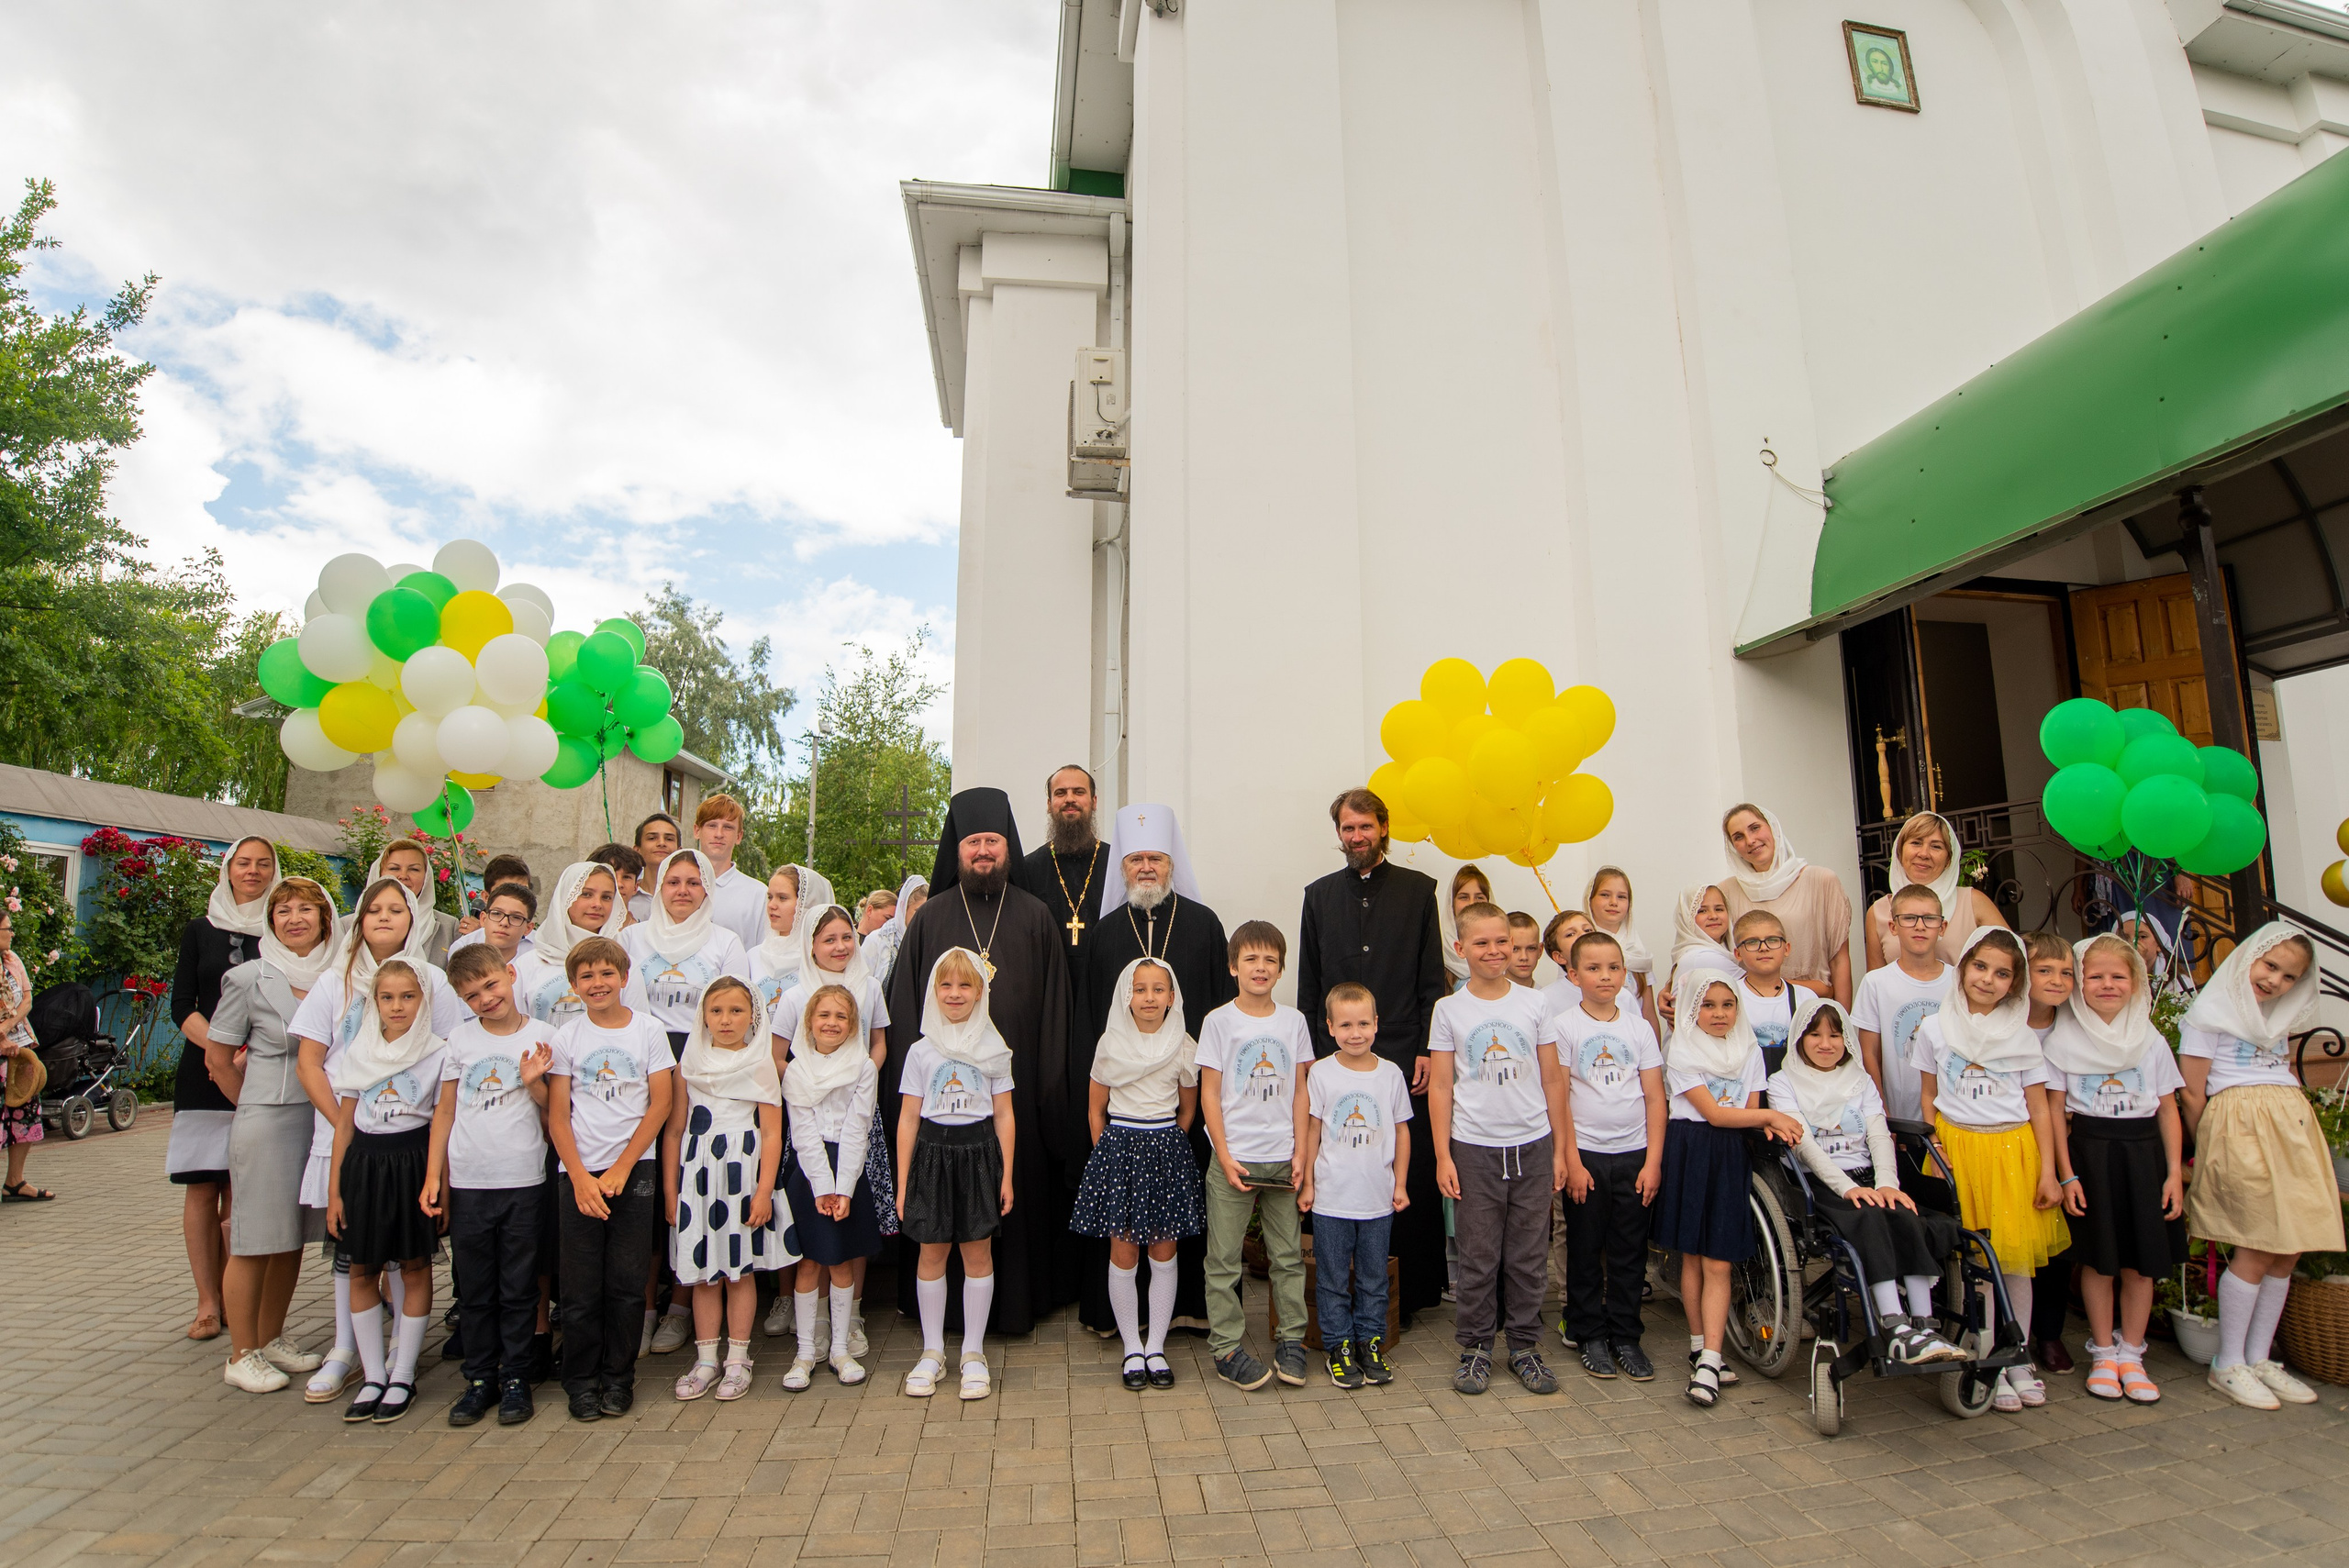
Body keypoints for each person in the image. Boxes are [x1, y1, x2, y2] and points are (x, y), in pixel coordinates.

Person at [881, 787, 1074, 1336]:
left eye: (992, 841)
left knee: (1007, 1209)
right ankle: (940, 1328)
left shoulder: (1036, 918)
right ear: (957, 850)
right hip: (940, 1112)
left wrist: (1048, 1090)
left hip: (1015, 1102)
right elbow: (902, 1015)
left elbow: (1056, 1013)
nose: (983, 851)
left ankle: (1011, 1311)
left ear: (1007, 846)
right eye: (973, 843)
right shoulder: (931, 918)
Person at [288, 877, 464, 1403]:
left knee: (411, 1262)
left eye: (397, 909)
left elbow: (450, 1067)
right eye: (374, 910)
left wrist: (437, 1172)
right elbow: (313, 1063)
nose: (385, 918)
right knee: (356, 1258)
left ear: (414, 918)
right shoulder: (335, 982)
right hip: (355, 1138)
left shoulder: (433, 980)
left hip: (414, 1146)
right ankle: (351, 1353)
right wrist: (362, 1122)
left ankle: (401, 1365)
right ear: (357, 921)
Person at [1069, 805, 1234, 1340]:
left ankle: (1178, 1316)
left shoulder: (1205, 925)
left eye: (1156, 859)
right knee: (1122, 1233)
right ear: (1123, 866)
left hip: (1177, 1113)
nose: (1146, 868)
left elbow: (1218, 1016)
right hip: (1123, 1118)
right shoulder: (1103, 933)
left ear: (1171, 864)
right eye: (1136, 858)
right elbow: (1092, 1022)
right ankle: (1121, 1324)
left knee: (1172, 1230)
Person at [1296, 788, 1447, 1321]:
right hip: (1334, 1059)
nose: (1355, 837)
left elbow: (1433, 978)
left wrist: (1430, 1046)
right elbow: (1309, 984)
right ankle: (1336, 1298)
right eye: (1346, 829)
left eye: (1364, 827)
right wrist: (1312, 1054)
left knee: (1401, 1163)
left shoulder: (1418, 891)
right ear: (1338, 833)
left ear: (1383, 827)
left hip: (1404, 1051)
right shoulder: (1317, 897)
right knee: (1337, 1155)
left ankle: (1407, 1297)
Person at [2179, 922, 2340, 1410]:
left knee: (2288, 1247)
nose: (2275, 981)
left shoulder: (2276, 1021)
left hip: (2289, 1127)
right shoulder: (2208, 1014)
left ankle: (2259, 1357)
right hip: (2240, 1129)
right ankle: (2227, 1363)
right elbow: (2191, 1090)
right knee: (2256, 1243)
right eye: (2270, 966)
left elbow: (2281, 1072)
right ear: (2250, 956)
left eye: (2289, 977)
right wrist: (2210, 1145)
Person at [1913, 927, 2065, 1414]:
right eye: (1980, 967)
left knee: (2015, 1261)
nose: (1988, 979)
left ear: (2014, 984)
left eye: (2002, 973)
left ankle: (2017, 1356)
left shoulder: (2021, 1036)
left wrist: (2048, 1173)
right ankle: (1986, 1356)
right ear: (1963, 970)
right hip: (1959, 1151)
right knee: (1976, 1264)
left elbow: (2039, 1108)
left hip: (2013, 1153)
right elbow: (1927, 1096)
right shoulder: (1936, 1029)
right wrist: (1934, 1146)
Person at [1771, 995, 1966, 1366]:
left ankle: (1924, 1325)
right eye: (1815, 1035)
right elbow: (1805, 1146)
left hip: (1868, 1176)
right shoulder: (1782, 1083)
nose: (1826, 1043)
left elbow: (1878, 1134)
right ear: (1799, 1038)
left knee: (1904, 1213)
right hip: (1820, 1184)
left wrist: (1887, 1183)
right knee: (1870, 1217)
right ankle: (1894, 1326)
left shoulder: (1860, 1080)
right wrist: (1848, 1188)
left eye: (1835, 1035)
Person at [1428, 901, 1566, 1397]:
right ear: (1461, 948)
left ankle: (1526, 1346)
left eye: (1501, 941)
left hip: (1531, 1145)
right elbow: (1441, 1086)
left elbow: (1553, 1078)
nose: (1493, 951)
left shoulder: (1535, 1004)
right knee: (1479, 1255)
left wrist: (1560, 1150)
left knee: (1529, 1256)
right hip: (1473, 1149)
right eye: (1481, 943)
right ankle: (1476, 1348)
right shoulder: (1449, 1010)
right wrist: (1444, 1155)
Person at [1655, 953, 1804, 1407]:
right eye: (1708, 1005)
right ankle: (1702, 1346)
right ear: (1691, 1010)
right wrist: (1772, 1115)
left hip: (1730, 1156)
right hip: (1692, 1148)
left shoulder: (1750, 1052)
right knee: (1694, 1259)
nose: (1719, 1014)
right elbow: (1719, 1113)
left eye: (1728, 1004)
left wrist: (1765, 1119)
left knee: (1719, 1260)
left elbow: (1746, 1112)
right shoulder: (1680, 1051)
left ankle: (1710, 1358)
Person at [2044, 934, 2186, 1404]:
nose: (2107, 984)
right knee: (2099, 1258)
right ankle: (2103, 1352)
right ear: (2080, 983)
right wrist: (2067, 1176)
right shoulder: (2064, 1041)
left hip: (2143, 1156)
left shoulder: (2150, 1039)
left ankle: (2132, 1353)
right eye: (2096, 976)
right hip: (2091, 1155)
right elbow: (2056, 1114)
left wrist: (2172, 1174)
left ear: (2136, 981)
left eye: (2118, 976)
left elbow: (2168, 1110)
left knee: (2139, 1263)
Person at [211, 877, 340, 1392]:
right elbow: (218, 1060)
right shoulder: (247, 977)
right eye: (282, 910)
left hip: (320, 1118)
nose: (294, 918)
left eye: (305, 909)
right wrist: (253, 1108)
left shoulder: (340, 973)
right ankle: (240, 1353)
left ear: (324, 918)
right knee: (252, 1238)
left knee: (290, 1238)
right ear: (270, 921)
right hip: (267, 1117)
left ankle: (270, 1339)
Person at [424, 943, 555, 1426]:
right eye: (472, 994)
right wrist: (434, 1176)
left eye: (491, 985)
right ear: (462, 1000)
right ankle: (480, 1379)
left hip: (523, 1178)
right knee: (476, 1289)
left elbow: (552, 1112)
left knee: (519, 1286)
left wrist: (533, 1081)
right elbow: (445, 1111)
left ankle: (517, 1376)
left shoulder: (544, 1036)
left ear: (510, 975)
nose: (486, 998)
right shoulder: (459, 1042)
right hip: (469, 1180)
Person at [546, 935, 674, 1420]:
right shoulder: (567, 1038)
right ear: (574, 985)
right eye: (586, 976)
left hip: (632, 1171)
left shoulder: (648, 1030)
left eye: (606, 974)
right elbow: (559, 1116)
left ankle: (619, 1378)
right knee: (579, 1288)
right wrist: (579, 1176)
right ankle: (580, 1381)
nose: (597, 983)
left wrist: (622, 1166)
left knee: (625, 1282)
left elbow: (660, 1102)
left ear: (623, 978)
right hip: (578, 1174)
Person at [1073, 958, 1204, 1391]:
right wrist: (1110, 1156)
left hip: (1164, 1148)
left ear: (1172, 996)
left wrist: (1166, 1147)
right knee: (1124, 1252)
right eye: (1140, 989)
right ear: (1126, 995)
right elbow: (1095, 1109)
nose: (1149, 998)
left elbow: (1187, 1108)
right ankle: (1132, 1345)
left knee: (1163, 1252)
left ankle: (1157, 1346)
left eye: (1158, 989)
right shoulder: (1111, 1043)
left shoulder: (1184, 1045)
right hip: (1121, 1150)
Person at [772, 899, 896, 1355]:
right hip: (809, 1113)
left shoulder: (869, 987)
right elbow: (777, 1051)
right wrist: (807, 1085)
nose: (840, 946)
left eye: (846, 936)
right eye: (829, 939)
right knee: (816, 1218)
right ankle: (817, 1320)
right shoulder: (794, 994)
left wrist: (864, 1072)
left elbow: (879, 1041)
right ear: (811, 946)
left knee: (853, 1216)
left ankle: (853, 1314)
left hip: (857, 1112)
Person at [325, 961, 447, 1423]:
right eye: (387, 997)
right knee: (362, 1268)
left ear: (424, 1000)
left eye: (408, 997)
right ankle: (373, 1373)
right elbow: (343, 1125)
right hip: (365, 1167)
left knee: (414, 1267)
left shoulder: (438, 1051)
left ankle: (404, 1374)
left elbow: (441, 1122)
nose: (397, 1007)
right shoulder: (359, 1049)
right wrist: (335, 1190)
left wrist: (440, 1183)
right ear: (374, 1002)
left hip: (413, 1164)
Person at [169, 835, 280, 1341]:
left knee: (240, 1186)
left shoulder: (280, 929)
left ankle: (238, 1299)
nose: (253, 872)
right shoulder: (200, 929)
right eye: (244, 863)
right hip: (202, 1069)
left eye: (263, 864)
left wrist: (244, 1052)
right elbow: (182, 1004)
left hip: (258, 1069)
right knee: (201, 1184)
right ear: (228, 869)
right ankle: (206, 1301)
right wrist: (219, 1046)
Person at [1195, 921, 1312, 1392]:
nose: (1260, 968)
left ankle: (1291, 1341)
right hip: (1236, 1159)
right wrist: (1223, 1155)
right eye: (1250, 959)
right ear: (1233, 967)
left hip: (1282, 1158)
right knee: (1223, 1259)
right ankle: (1225, 1346)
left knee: (1287, 1257)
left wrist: (1302, 1151)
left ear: (1281, 969)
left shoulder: (1294, 1021)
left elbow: (1302, 1090)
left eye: (1269, 960)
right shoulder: (1219, 1021)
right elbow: (1210, 1093)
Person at [895, 948, 1017, 1400]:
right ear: (933, 991)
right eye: (945, 985)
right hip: (931, 1156)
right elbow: (908, 1118)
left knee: (977, 1254)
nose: (955, 994)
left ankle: (972, 1352)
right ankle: (931, 1352)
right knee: (931, 1254)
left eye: (965, 985)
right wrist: (904, 1180)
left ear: (981, 992)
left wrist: (1005, 1176)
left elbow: (1004, 1115)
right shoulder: (921, 1050)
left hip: (979, 1154)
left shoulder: (994, 1047)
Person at [666, 976, 791, 1402]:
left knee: (738, 1272)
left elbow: (772, 1134)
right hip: (698, 1179)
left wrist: (764, 1190)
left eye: (737, 1011)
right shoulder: (690, 1064)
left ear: (753, 1017)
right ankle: (705, 1360)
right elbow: (676, 1128)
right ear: (703, 1014)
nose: (726, 1020)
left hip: (742, 1176)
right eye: (716, 1010)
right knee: (703, 1272)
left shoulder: (759, 1064)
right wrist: (670, 1190)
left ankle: (738, 1359)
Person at [1551, 930, 1666, 1383]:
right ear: (1573, 974)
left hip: (1634, 1154)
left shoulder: (1638, 1029)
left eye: (1614, 967)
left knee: (1628, 1251)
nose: (1605, 976)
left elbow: (1655, 1098)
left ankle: (1625, 1335)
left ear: (1625, 973)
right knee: (1584, 1248)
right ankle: (1588, 1334)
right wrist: (1572, 1160)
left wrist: (1653, 1161)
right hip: (1588, 1158)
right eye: (1594, 968)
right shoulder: (1564, 1027)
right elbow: (1558, 1098)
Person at [1300, 981, 1410, 1391]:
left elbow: (1402, 1132)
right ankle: (1339, 1346)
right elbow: (1312, 1131)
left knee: (1372, 1278)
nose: (1356, 1033)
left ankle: (1370, 1342)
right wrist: (1308, 1183)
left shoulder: (1391, 1074)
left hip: (1377, 1199)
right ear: (1330, 1027)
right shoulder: (1323, 1073)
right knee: (1331, 1278)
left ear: (1377, 1024)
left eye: (1364, 1023)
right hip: (1331, 1198)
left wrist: (1400, 1183)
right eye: (1345, 1025)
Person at [781, 984, 881, 1389]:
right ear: (809, 1021)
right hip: (809, 1171)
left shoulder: (863, 1067)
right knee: (808, 1262)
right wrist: (823, 1188)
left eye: (841, 1017)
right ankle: (805, 1352)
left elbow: (859, 1129)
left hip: (849, 1170)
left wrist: (844, 1189)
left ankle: (840, 1349)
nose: (832, 1023)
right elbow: (802, 1131)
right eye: (824, 1015)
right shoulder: (796, 1069)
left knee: (840, 1261)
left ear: (853, 1024)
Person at [621, 850, 752, 1058]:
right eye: (673, 882)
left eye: (693, 883)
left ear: (707, 889)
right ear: (660, 888)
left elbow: (734, 1006)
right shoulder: (630, 938)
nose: (683, 891)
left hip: (702, 1051)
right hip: (640, 1048)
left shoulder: (727, 942)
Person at [1718, 805, 1853, 1005]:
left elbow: (1839, 959)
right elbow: (1709, 949)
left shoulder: (1821, 880)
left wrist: (1842, 1021)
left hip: (1814, 1005)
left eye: (1755, 828)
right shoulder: (1726, 891)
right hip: (1754, 1009)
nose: (1750, 840)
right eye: (1738, 837)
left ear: (1773, 828)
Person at [2021, 931, 2081, 1373]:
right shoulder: (2006, 1024)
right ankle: (2013, 1331)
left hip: (2066, 1142)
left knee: (2058, 1243)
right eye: (2045, 971)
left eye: (2066, 972)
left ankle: (2050, 1332)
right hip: (2012, 1139)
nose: (2057, 980)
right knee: (2017, 1240)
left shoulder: (2075, 1026)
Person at [1851, 884, 1952, 1123]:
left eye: (1929, 918)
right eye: (1909, 918)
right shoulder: (1876, 982)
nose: (1920, 926)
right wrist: (1882, 1112)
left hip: (1953, 1116)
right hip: (1901, 1118)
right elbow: (1869, 1054)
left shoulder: (1958, 981)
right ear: (1893, 927)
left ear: (1942, 927)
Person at [1863, 813, 2002, 972]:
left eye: (1936, 846)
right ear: (1899, 852)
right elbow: (1876, 981)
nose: (1924, 854)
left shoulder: (1973, 902)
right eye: (1916, 843)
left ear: (1949, 859)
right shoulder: (1878, 912)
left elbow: (2011, 958)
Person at [513, 863, 644, 1027]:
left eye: (606, 897)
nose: (597, 904)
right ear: (565, 896)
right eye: (586, 894)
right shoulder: (528, 964)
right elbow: (516, 1028)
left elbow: (637, 1029)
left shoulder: (624, 963)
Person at [1023, 764, 1110, 975]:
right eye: (1060, 793)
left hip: (1104, 978)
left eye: (1079, 792)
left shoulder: (1116, 863)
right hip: (1048, 981)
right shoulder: (1029, 868)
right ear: (1049, 804)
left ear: (1094, 802)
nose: (1070, 799)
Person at [0, 912, 54, 1203]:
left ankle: (14, 1182)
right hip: (3, 1047)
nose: (11, 933)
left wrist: (6, 1030)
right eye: (7, 928)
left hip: (18, 1048)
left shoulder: (11, 959)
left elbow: (27, 1000)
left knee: (23, 1111)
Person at [1731, 910, 1817, 1074]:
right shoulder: (1730, 996)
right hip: (1746, 1093)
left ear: (1786, 948)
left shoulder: (1806, 998)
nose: (1764, 948)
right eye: (1752, 942)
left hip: (1793, 1093)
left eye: (1772, 940)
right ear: (1738, 953)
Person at [751, 864, 830, 1022]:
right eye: (770, 897)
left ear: (807, 904)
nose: (772, 905)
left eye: (782, 898)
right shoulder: (753, 955)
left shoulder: (821, 959)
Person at [692, 796, 767, 952]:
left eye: (728, 827)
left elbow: (763, 954)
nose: (719, 834)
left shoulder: (758, 894)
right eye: (712, 825)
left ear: (739, 836)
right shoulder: (676, 887)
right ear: (697, 831)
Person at [368, 839, 460, 964]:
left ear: (426, 876)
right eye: (394, 868)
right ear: (379, 873)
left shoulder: (449, 927)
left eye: (414, 869)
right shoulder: (348, 925)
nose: (403, 875)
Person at [1584, 866, 1654, 1018]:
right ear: (1589, 899)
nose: (1613, 902)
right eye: (1605, 895)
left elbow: (1648, 1012)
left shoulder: (1638, 951)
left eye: (1622, 897)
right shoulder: (1580, 949)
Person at [862, 873, 928, 986]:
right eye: (918, 913)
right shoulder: (877, 940)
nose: (924, 919)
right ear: (903, 910)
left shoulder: (930, 943)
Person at [449, 882, 537, 962]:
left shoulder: (535, 970)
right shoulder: (461, 956)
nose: (504, 923)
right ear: (483, 919)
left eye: (516, 917)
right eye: (497, 913)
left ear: (528, 928)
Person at [453, 855, 534, 943]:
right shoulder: (464, 945)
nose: (514, 898)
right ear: (486, 897)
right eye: (505, 891)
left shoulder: (541, 947)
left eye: (523, 891)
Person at [1437, 864, 1492, 994]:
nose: (1472, 903)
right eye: (1464, 897)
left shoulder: (1500, 951)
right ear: (1452, 903)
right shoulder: (1437, 950)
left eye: (1479, 897)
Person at [629, 815, 682, 922]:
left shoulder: (687, 896)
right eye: (652, 838)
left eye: (669, 839)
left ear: (679, 850)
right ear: (637, 850)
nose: (662, 843)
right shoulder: (626, 896)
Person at [589, 843, 647, 929]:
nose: (619, 884)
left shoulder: (644, 935)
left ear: (636, 887)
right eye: (612, 875)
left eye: (626, 877)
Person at [1505, 913, 1543, 988]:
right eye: (1515, 949)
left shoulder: (1547, 997)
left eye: (1531, 948)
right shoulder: (1486, 997)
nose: (1524, 957)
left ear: (1540, 950)